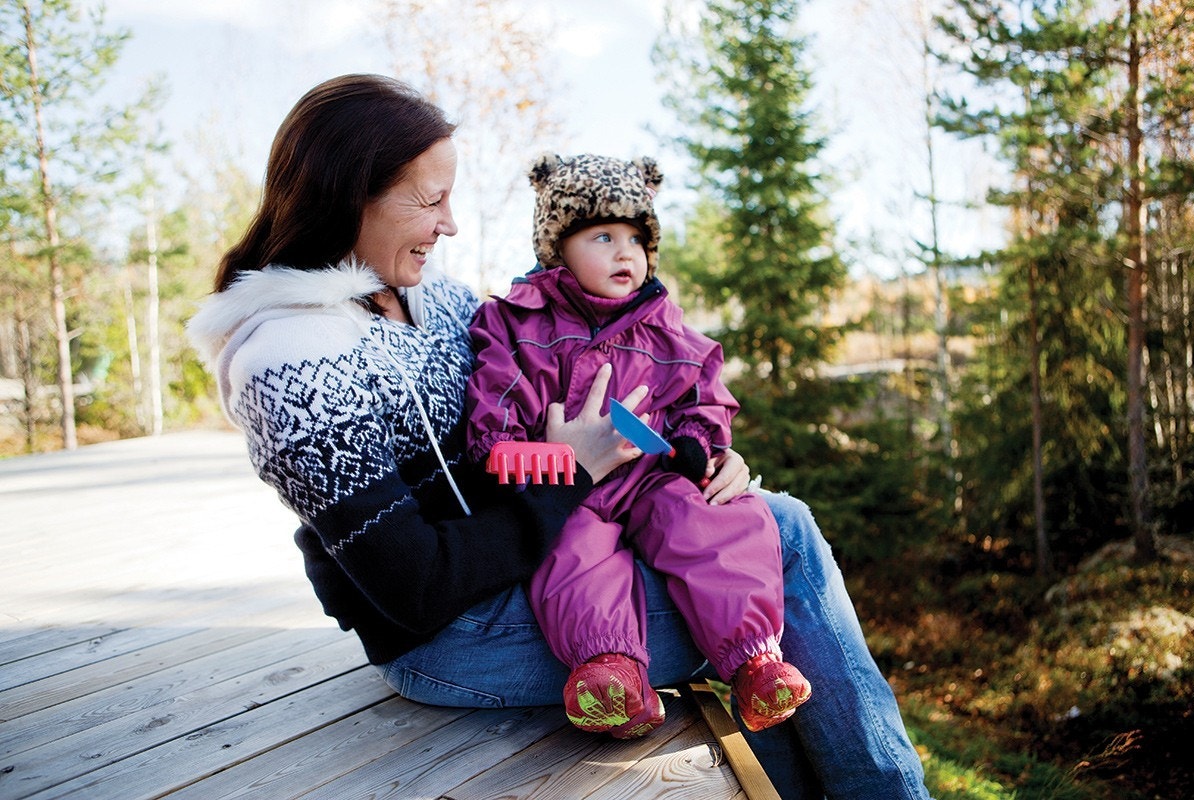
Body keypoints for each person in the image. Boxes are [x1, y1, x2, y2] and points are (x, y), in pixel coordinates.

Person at [186, 73, 932, 799]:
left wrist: (696, 451)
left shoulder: (429, 297)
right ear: (352, 194)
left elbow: (564, 356)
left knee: (758, 533)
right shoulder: (288, 359)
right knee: (787, 550)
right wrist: (572, 471)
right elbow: (413, 588)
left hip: (534, 565)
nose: (450, 224)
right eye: (431, 200)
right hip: (455, 635)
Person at [465, 152, 811, 740]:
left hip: (652, 477)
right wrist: (558, 462)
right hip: (567, 487)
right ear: (557, 248)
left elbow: (703, 401)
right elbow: (490, 437)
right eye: (602, 235)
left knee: (718, 523)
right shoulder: (515, 325)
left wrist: (697, 445)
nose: (626, 252)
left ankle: (755, 660)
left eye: (637, 237)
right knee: (573, 550)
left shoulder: (667, 330)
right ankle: (610, 672)